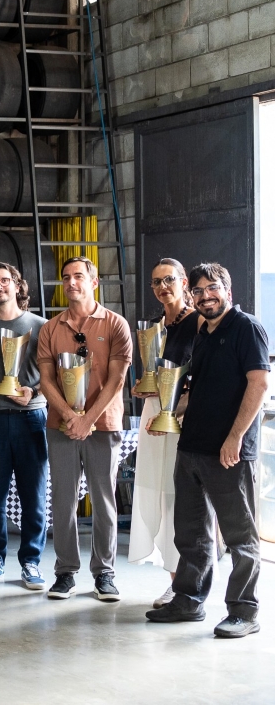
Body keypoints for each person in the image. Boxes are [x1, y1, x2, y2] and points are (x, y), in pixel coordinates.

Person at [147, 263, 268, 639]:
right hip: (192, 447)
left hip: (228, 451)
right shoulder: (202, 332)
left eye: (212, 288)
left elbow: (259, 384)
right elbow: (197, 389)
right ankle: (188, 600)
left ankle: (244, 611)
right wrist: (169, 412)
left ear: (228, 291)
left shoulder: (246, 327)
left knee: (239, 536)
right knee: (191, 532)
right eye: (198, 291)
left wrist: (234, 438)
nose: (205, 296)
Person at [36, 256, 132, 602]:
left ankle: (104, 573)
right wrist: (69, 416)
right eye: (66, 277)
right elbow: (46, 380)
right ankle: (65, 572)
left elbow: (117, 380)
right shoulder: (50, 329)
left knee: (104, 500)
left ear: (94, 282)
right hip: (60, 426)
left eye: (78, 276)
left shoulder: (116, 324)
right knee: (62, 500)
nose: (71, 282)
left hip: (103, 426)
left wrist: (88, 419)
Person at [130, 259, 202, 608]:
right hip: (153, 414)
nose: (162, 287)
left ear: (184, 282)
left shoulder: (198, 323)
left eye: (169, 280)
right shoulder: (156, 327)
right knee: (160, 496)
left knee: (181, 499)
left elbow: (202, 378)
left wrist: (175, 409)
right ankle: (174, 581)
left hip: (183, 417)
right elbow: (152, 375)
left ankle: (188, 584)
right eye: (156, 282)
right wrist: (142, 389)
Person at [0, 262, 50, 590]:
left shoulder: (41, 326)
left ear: (18, 285)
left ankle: (31, 562)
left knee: (34, 495)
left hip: (32, 419)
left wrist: (34, 392)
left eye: (4, 280)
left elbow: (55, 375)